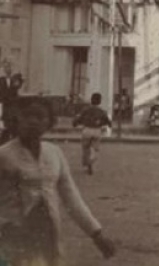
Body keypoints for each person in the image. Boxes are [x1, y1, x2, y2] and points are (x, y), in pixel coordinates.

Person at [0, 97, 116, 265]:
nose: (33, 122)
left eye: (40, 117)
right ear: (15, 119)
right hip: (11, 238)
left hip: (48, 234)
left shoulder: (54, 153)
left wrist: (96, 234)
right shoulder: (4, 155)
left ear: (49, 123)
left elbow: (71, 197)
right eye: (27, 116)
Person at [72, 93, 112, 175]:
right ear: (100, 101)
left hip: (86, 130)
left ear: (91, 100)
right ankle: (91, 160)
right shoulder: (102, 111)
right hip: (97, 130)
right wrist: (107, 124)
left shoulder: (86, 110)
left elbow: (79, 118)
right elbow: (108, 121)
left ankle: (87, 163)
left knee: (85, 148)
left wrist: (75, 123)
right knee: (95, 149)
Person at [0, 60, 24, 145]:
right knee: (5, 131)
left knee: (15, 131)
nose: (8, 69)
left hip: (14, 109)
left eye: (10, 66)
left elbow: (19, 83)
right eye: (6, 67)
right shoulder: (1, 80)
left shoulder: (16, 78)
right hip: (5, 108)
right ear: (3, 68)